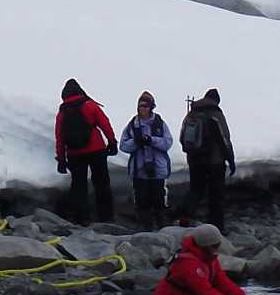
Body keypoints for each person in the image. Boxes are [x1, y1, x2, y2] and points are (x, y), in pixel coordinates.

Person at [54, 79, 118, 225]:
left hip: (74, 154)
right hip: (96, 150)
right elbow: (105, 123)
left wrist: (61, 159)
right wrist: (112, 142)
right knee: (101, 183)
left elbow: (59, 137)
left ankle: (81, 218)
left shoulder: (62, 112)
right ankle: (106, 217)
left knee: (78, 186)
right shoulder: (90, 105)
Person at [174, 89, 235, 229]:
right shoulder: (215, 113)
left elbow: (182, 138)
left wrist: (191, 153)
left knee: (195, 189)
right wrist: (231, 160)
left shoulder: (192, 113)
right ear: (216, 100)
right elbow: (225, 139)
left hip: (194, 160)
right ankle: (216, 226)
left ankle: (185, 216)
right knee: (216, 194)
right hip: (214, 161)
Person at [123, 91, 174, 229]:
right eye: (140, 106)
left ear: (151, 107)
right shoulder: (132, 125)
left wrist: (151, 140)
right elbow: (123, 146)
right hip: (140, 171)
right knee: (141, 200)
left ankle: (162, 226)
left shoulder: (160, 124)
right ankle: (145, 226)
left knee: (159, 199)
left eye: (145, 106)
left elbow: (168, 143)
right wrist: (136, 142)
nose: (142, 108)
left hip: (157, 170)